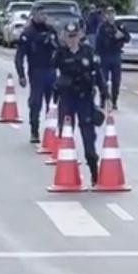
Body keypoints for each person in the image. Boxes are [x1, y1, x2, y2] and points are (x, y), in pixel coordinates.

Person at [54, 23, 104, 184]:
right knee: (66, 136)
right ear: (64, 37)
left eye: (74, 36)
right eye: (69, 36)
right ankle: (68, 174)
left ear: (80, 35)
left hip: (85, 99)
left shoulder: (88, 52)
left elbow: (99, 75)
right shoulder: (59, 53)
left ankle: (94, 172)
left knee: (89, 139)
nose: (72, 40)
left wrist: (106, 94)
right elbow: (51, 70)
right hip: (67, 99)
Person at [15, 8, 60, 143]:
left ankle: (52, 132)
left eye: (45, 14)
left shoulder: (51, 31)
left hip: (51, 71)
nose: (43, 17)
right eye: (40, 14)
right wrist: (21, 75)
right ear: (34, 16)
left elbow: (59, 50)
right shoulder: (28, 33)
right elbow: (19, 56)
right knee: (35, 103)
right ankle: (34, 131)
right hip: (36, 72)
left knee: (53, 104)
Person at [95, 8, 129, 110]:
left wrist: (121, 36)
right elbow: (99, 42)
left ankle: (114, 101)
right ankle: (102, 99)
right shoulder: (102, 27)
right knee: (103, 79)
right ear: (106, 15)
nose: (111, 16)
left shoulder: (119, 26)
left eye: (112, 13)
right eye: (108, 14)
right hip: (105, 56)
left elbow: (127, 38)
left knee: (116, 80)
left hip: (116, 55)